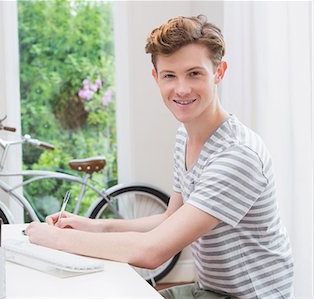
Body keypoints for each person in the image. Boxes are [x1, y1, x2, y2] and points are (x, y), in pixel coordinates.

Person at [25, 15, 294, 299]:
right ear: (156, 78)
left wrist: (57, 239)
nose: (181, 89)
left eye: (194, 73)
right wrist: (94, 226)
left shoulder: (238, 156)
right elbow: (171, 217)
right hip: (209, 290)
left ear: (219, 72)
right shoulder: (184, 137)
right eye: (169, 76)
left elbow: (151, 252)